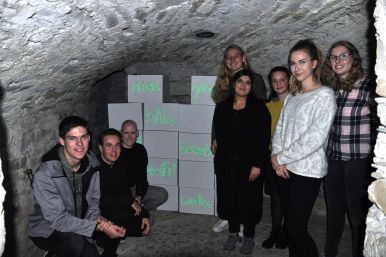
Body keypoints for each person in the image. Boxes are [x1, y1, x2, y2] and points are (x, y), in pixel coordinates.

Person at [271, 39, 336, 257]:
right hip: (284, 168)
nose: (296, 68)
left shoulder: (325, 95)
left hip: (307, 171)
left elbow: (314, 137)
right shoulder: (292, 95)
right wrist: (275, 155)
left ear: (314, 64)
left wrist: (282, 157)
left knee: (297, 228)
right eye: (293, 63)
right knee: (290, 225)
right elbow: (280, 127)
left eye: (302, 62)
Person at [27, 116, 125, 257]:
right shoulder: (46, 173)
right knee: (74, 242)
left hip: (78, 223)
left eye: (83, 137)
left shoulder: (93, 164)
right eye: (72, 138)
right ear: (62, 140)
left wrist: (101, 222)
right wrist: (96, 227)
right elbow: (58, 220)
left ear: (89, 138)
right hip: (47, 228)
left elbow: (93, 203)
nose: (80, 144)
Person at [321, 41, 377, 257]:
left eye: (343, 55)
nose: (338, 60)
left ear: (353, 58)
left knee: (357, 215)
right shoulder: (330, 90)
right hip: (333, 159)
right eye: (334, 57)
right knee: (334, 211)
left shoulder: (367, 86)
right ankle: (330, 252)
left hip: (357, 161)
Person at [213, 69, 271, 255]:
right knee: (229, 198)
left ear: (251, 86)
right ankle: (233, 233)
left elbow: (264, 139)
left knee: (249, 201)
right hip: (226, 163)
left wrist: (258, 164)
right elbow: (218, 133)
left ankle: (249, 237)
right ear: (233, 84)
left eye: (248, 82)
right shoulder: (222, 107)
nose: (244, 85)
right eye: (240, 81)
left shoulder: (259, 108)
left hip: (249, 164)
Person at [96, 128, 151, 257]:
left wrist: (144, 213)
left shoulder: (119, 163)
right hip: (99, 215)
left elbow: (125, 191)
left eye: (117, 145)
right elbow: (100, 200)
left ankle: (112, 235)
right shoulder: (95, 167)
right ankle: (108, 249)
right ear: (100, 148)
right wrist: (129, 201)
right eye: (109, 145)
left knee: (143, 227)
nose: (114, 150)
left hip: (118, 208)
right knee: (122, 212)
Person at [262, 66, 290, 250]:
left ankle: (287, 232)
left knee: (290, 198)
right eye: (274, 80)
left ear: (289, 80)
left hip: (291, 158)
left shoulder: (297, 102)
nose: (278, 83)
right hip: (271, 157)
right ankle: (275, 231)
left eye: (282, 79)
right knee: (275, 197)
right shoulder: (268, 106)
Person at [120, 120, 168, 210]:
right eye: (126, 133)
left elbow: (142, 178)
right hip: (120, 192)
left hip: (134, 189)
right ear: (121, 133)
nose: (129, 136)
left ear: (137, 133)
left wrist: (138, 197)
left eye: (133, 133)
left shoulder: (140, 149)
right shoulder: (116, 151)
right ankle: (133, 212)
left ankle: (141, 211)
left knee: (162, 194)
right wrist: (130, 200)